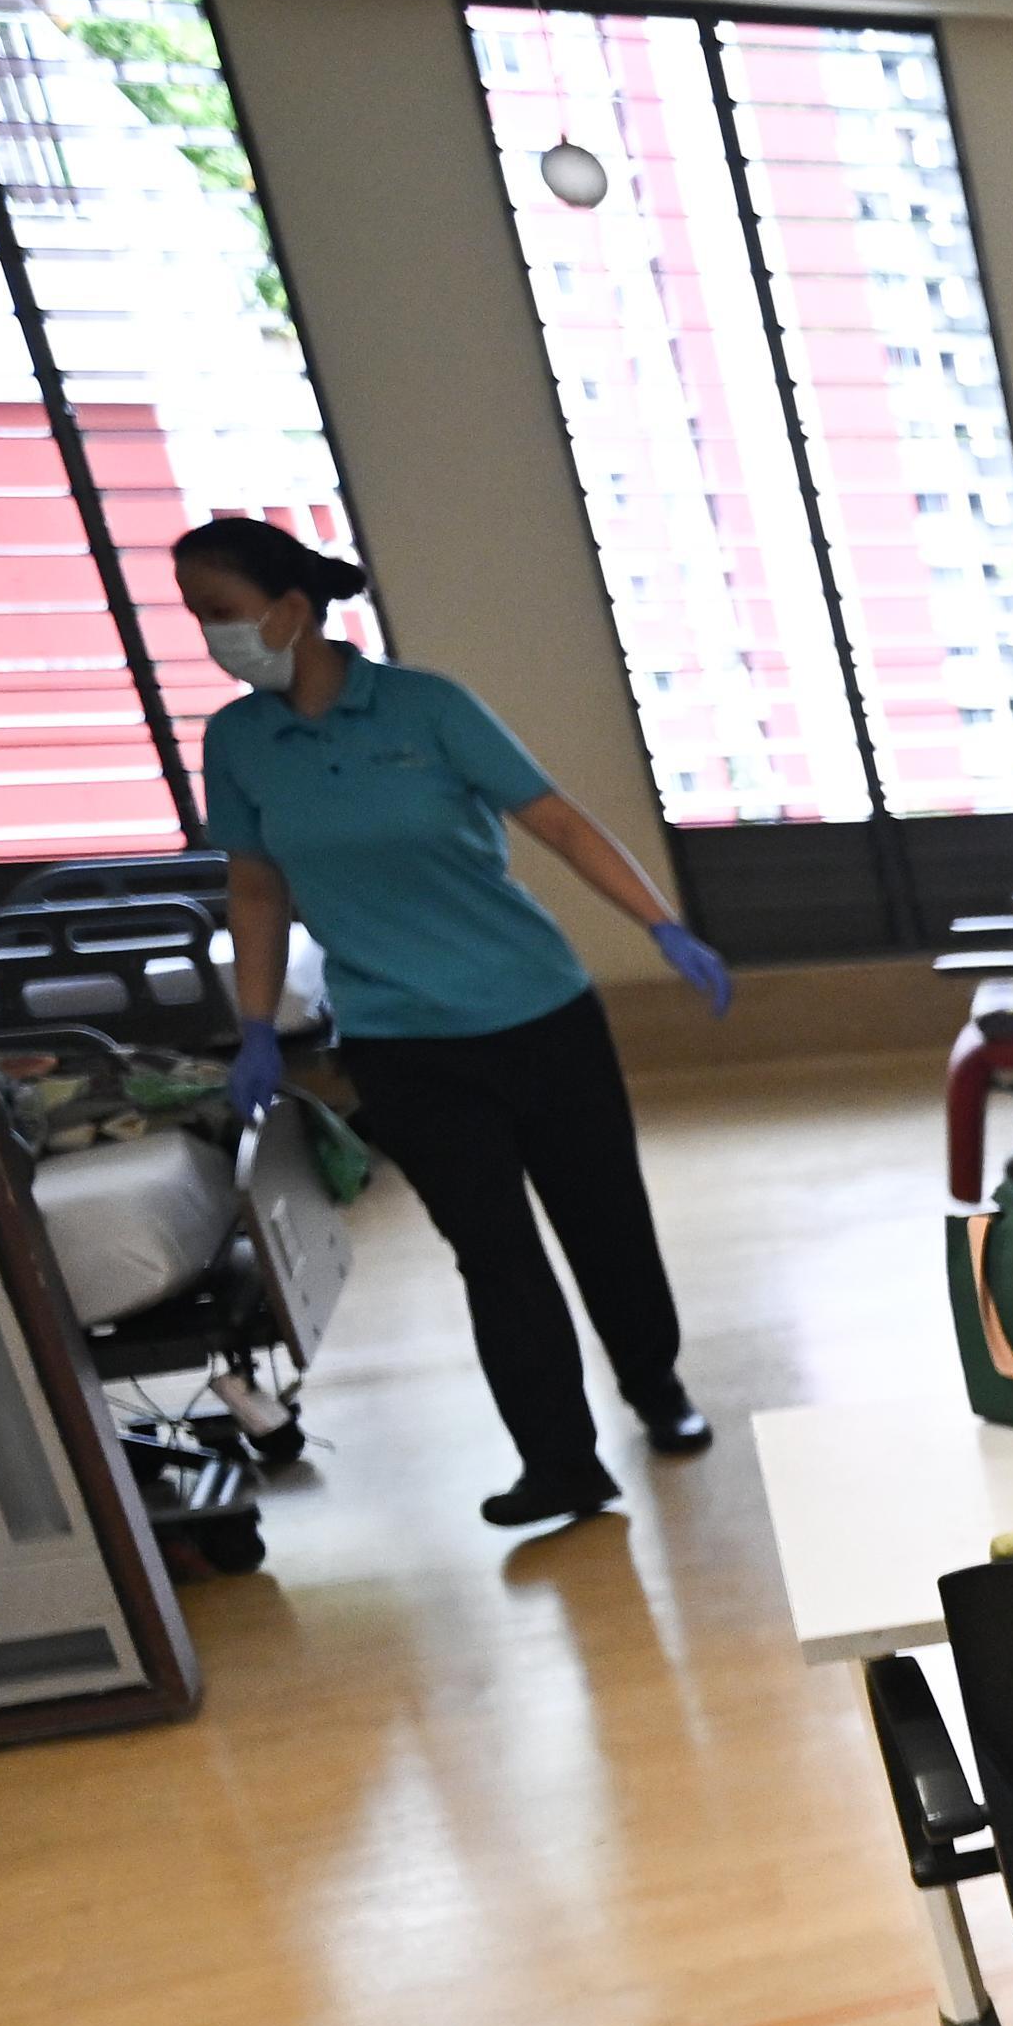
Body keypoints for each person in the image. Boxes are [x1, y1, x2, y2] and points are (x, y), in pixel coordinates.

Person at [171, 514, 733, 1533]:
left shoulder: (426, 707)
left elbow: (556, 820)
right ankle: (560, 1462)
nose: (212, 635)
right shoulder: (239, 742)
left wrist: (660, 925)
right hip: (398, 1042)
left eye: (222, 611)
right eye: (196, 616)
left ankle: (657, 1389)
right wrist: (254, 1024)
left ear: (291, 609)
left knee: (603, 1222)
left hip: (538, 1012)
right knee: (493, 1252)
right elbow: (255, 887)